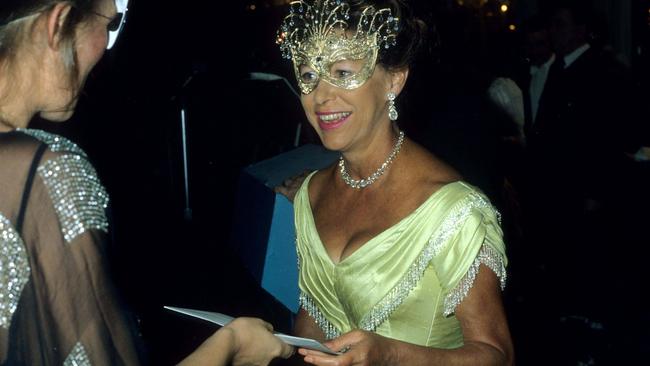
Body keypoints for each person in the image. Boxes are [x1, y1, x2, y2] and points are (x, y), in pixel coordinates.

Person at [0, 0, 294, 365]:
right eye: (109, 25)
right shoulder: (44, 173)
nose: (106, 49)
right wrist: (231, 346)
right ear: (58, 24)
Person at [276, 1, 513, 365]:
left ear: (394, 79)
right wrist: (275, 344)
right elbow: (316, 320)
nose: (321, 96)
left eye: (341, 73)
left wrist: (391, 354)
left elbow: (496, 356)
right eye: (308, 76)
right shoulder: (310, 194)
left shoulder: (453, 211)